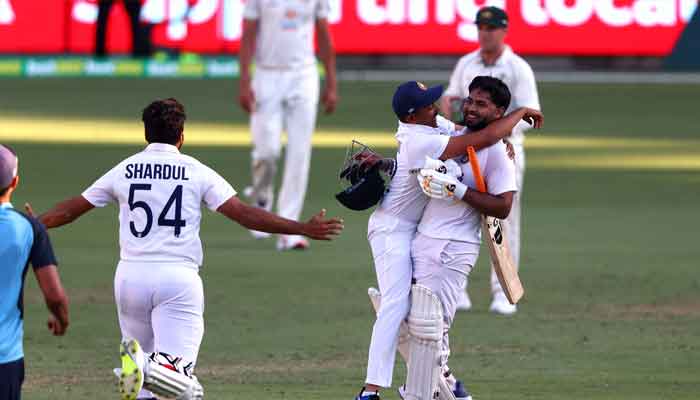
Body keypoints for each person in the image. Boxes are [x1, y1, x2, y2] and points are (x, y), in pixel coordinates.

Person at [35, 98, 343, 400]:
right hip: (177, 281)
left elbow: (73, 208)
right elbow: (244, 214)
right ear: (181, 136)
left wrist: (34, 224)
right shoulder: (196, 171)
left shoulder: (125, 169)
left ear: (146, 134)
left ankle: (143, 366)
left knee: (143, 389)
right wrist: (301, 228)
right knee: (180, 385)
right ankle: (146, 366)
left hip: (130, 278)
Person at [354, 81, 542, 400]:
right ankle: (371, 391)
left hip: (431, 238)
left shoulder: (435, 126)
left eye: (479, 103)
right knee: (400, 308)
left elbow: (482, 140)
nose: (437, 108)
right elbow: (482, 137)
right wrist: (519, 114)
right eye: (428, 105)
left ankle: (444, 385)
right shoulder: (423, 137)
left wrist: (503, 135)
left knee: (424, 322)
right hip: (393, 230)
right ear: (412, 116)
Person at [408, 76, 518, 400]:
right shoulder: (452, 136)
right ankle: (451, 391)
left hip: (454, 248)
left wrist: (458, 190)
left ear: (498, 112)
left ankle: (422, 392)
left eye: (481, 104)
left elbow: (503, 206)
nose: (471, 107)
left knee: (433, 328)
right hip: (423, 240)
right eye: (470, 100)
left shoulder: (497, 153)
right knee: (417, 326)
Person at [439, 6, 541, 315]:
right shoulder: (466, 63)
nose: (485, 34)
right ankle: (456, 290)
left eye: (491, 28)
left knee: (503, 223)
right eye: (481, 28)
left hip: (505, 152)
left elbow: (531, 115)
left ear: (504, 30)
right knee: (456, 215)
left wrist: (497, 132)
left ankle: (504, 292)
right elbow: (451, 97)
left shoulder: (518, 68)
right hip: (467, 150)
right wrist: (451, 112)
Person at [237, 0, 338, 251]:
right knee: (267, 152)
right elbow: (248, 34)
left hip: (303, 75)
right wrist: (244, 81)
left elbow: (323, 34)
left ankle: (289, 230)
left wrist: (331, 83)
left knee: (299, 153)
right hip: (266, 74)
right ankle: (261, 200)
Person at [0, 144, 69, 400]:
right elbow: (54, 296)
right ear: (14, 182)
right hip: (4, 359)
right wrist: (62, 320)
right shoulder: (29, 229)